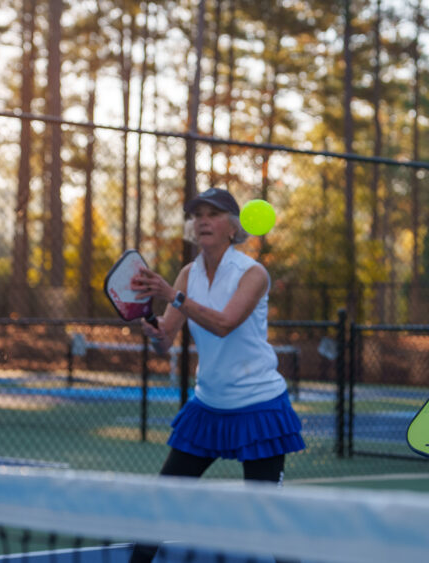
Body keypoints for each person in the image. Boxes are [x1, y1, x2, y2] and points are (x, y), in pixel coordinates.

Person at [127, 187, 305, 561]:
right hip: (208, 405)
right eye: (198, 215)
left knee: (266, 518)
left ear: (233, 228)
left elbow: (224, 323)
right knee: (160, 503)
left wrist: (172, 296)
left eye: (213, 214)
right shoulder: (188, 274)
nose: (203, 221)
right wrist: (155, 333)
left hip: (259, 407)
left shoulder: (253, 273)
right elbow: (166, 341)